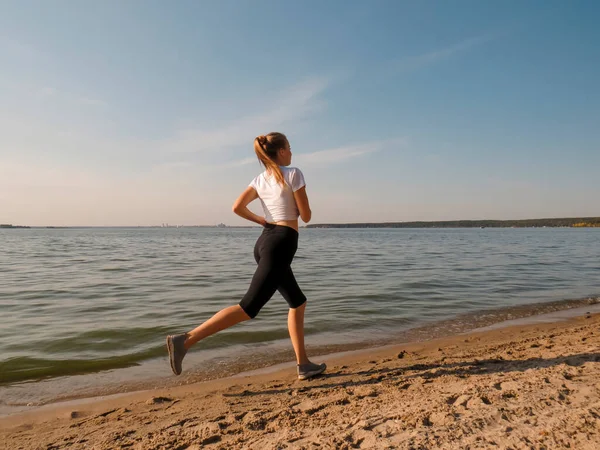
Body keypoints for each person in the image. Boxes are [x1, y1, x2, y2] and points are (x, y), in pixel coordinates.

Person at [166, 132, 326, 381]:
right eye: (290, 148)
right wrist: (301, 209)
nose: (292, 152)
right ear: (281, 151)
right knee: (248, 307)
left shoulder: (260, 180)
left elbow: (237, 207)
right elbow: (305, 217)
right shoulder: (294, 173)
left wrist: (261, 219)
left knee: (297, 302)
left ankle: (303, 364)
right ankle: (185, 341)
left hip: (265, 241)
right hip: (281, 243)